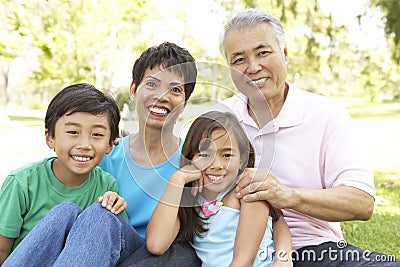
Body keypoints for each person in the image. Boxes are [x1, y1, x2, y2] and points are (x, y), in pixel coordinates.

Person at [216, 8, 399, 266]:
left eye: (263, 52)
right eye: (239, 60)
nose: (253, 67)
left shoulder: (326, 115)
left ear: (285, 54)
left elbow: (362, 202)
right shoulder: (220, 118)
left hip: (313, 249)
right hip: (228, 252)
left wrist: (288, 196)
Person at [0, 83, 145, 266]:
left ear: (110, 144)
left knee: (99, 212)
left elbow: (115, 242)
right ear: (50, 138)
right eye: (73, 132)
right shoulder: (22, 183)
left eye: (97, 135)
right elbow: (2, 249)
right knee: (65, 212)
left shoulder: (106, 185)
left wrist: (115, 207)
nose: (85, 144)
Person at [98, 42, 201, 266]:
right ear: (133, 89)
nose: (162, 96)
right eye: (152, 84)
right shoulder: (107, 153)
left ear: (184, 102)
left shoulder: (192, 163)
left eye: (175, 89)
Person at [146, 111, 293, 266]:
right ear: (190, 158)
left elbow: (243, 261)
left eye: (227, 155)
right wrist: (177, 179)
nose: (216, 165)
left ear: (242, 160)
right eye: (204, 155)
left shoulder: (247, 193)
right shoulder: (189, 200)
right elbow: (156, 245)